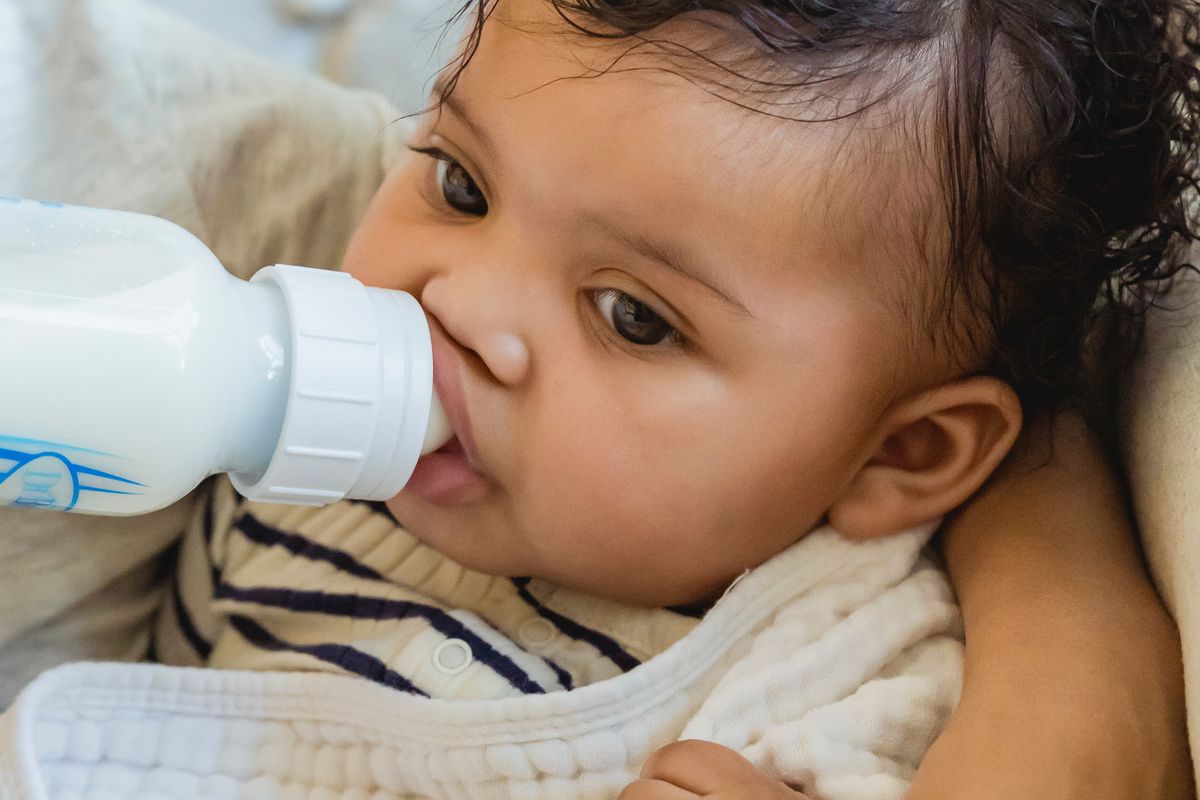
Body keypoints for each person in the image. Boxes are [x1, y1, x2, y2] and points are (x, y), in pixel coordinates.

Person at [141, 0, 1196, 797]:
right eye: (462, 185)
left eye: (631, 315)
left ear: (899, 454)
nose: (455, 301)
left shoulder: (855, 683)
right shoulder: (271, 349)